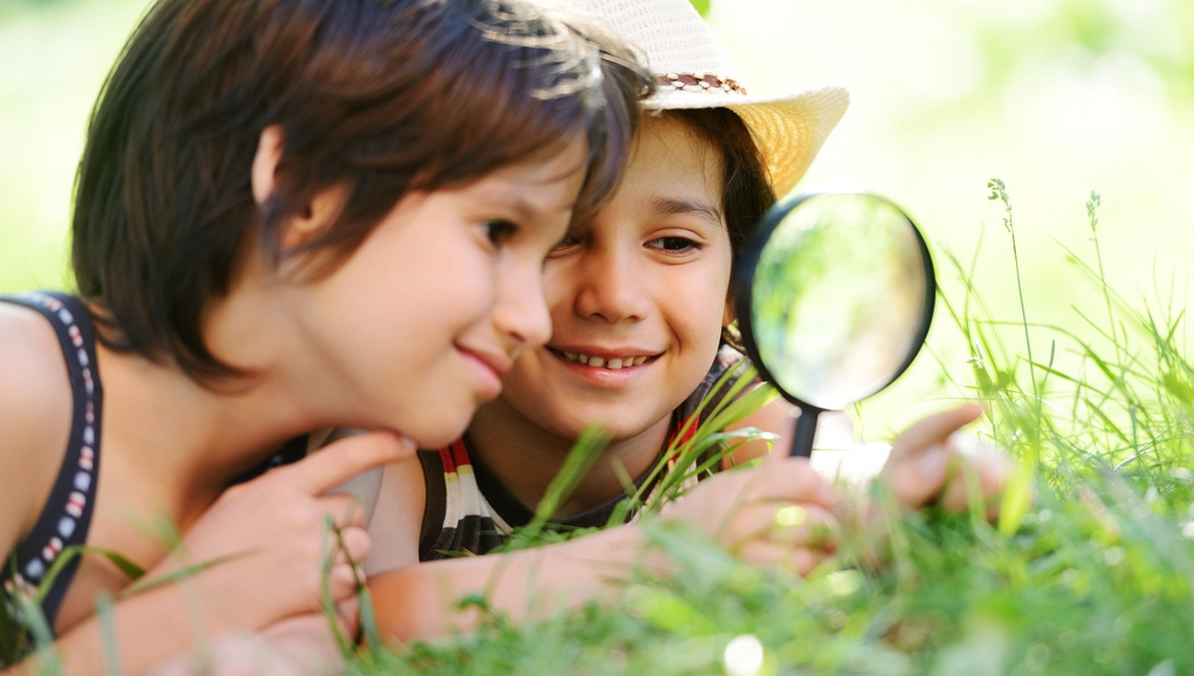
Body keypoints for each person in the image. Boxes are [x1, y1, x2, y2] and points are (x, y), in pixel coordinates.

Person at [0, 0, 654, 673]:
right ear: (300, 189)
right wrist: (190, 608)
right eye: (498, 232)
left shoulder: (333, 460)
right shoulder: (17, 387)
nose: (533, 319)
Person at [360, 0, 1011, 644]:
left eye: (674, 243)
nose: (615, 297)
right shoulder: (404, 423)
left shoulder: (731, 405)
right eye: (560, 236)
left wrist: (894, 484)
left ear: (739, 283)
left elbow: (823, 478)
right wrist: (664, 550)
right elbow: (366, 619)